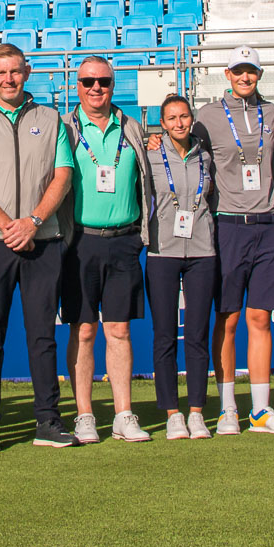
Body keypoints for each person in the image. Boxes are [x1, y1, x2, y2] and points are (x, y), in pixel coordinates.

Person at [0, 44, 78, 451]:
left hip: (42, 241)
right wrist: (10, 225)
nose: (9, 79)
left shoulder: (51, 118)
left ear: (27, 72)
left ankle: (48, 420)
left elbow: (62, 175)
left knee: (42, 335)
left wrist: (34, 222)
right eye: (1, 72)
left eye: (15, 71)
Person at [193, 45, 274, 435]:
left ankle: (261, 410)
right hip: (229, 224)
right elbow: (185, 152)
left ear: (259, 75)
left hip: (269, 225)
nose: (245, 77)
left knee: (260, 318)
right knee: (229, 318)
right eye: (238, 71)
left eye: (251, 71)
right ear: (227, 73)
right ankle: (228, 407)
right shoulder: (208, 116)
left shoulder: (270, 113)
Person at [62, 56, 155, 444]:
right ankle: (85, 414)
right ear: (77, 85)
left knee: (118, 330)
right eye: (88, 81)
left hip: (124, 241)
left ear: (113, 85)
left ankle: (123, 413)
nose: (96, 88)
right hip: (79, 242)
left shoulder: (133, 127)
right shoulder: (63, 129)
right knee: (83, 331)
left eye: (103, 81)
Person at [145, 94, 219, 440]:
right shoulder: (150, 155)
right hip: (163, 251)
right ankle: (172, 412)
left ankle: (197, 411)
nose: (179, 123)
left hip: (203, 251)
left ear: (192, 120)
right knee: (164, 335)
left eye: (184, 117)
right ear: (163, 123)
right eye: (172, 118)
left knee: (198, 334)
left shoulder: (206, 155)